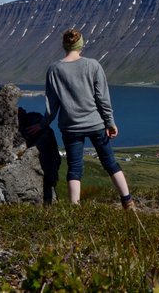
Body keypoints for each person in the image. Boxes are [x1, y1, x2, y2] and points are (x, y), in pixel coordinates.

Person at [41, 28, 134, 209]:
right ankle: (127, 201)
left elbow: (52, 105)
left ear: (64, 45)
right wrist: (110, 122)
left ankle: (75, 210)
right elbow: (103, 99)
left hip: (70, 127)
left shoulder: (54, 69)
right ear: (80, 44)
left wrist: (43, 124)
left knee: (75, 168)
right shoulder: (93, 65)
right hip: (96, 124)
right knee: (109, 162)